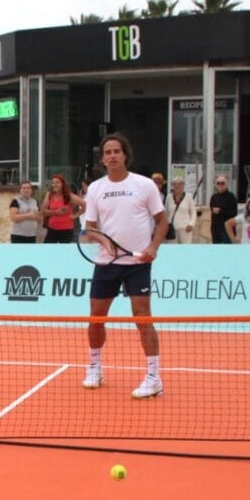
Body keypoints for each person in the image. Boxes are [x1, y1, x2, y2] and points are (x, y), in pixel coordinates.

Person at [81, 133, 167, 399]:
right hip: (106, 264)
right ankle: (95, 366)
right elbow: (90, 229)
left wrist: (152, 249)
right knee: (96, 319)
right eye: (107, 152)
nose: (112, 156)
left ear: (125, 155)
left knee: (143, 319)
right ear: (103, 159)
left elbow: (162, 221)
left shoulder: (144, 185)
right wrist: (104, 244)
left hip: (137, 262)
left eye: (117, 151)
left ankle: (153, 377)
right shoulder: (95, 188)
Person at [40, 174, 78, 244]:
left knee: (64, 253)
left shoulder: (68, 195)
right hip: (52, 228)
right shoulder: (49, 195)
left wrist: (75, 216)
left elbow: (84, 204)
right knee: (46, 251)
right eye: (53, 183)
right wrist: (56, 212)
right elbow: (43, 211)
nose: (54, 184)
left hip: (67, 229)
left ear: (62, 184)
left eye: (57, 182)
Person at [164, 177, 196, 244]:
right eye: (174, 184)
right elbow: (166, 213)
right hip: (172, 229)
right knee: (173, 251)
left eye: (179, 184)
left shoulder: (188, 197)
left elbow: (193, 213)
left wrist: (191, 224)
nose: (177, 186)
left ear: (183, 185)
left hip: (185, 229)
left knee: (185, 250)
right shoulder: (169, 197)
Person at [208, 175, 238, 244]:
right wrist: (214, 210)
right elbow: (211, 208)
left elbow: (234, 213)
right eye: (218, 183)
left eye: (222, 183)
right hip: (215, 228)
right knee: (216, 250)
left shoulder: (231, 197)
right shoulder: (213, 197)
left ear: (226, 184)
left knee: (227, 250)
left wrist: (220, 211)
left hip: (227, 228)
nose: (220, 185)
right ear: (215, 185)